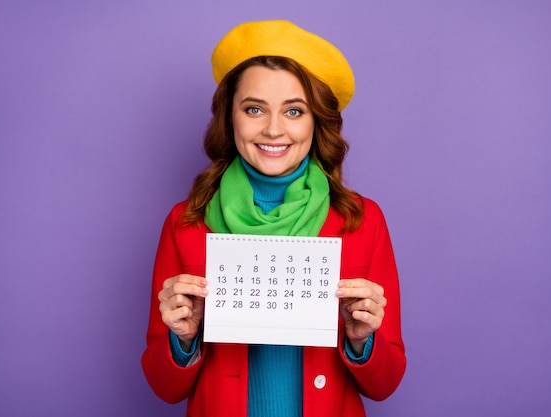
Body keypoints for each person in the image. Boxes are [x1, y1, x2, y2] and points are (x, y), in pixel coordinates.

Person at [141, 20, 406, 417]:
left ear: (317, 122)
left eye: (294, 111)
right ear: (229, 117)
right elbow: (164, 388)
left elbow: (385, 385)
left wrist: (360, 341)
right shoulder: (185, 222)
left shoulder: (363, 220)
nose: (274, 129)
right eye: (254, 109)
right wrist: (183, 339)